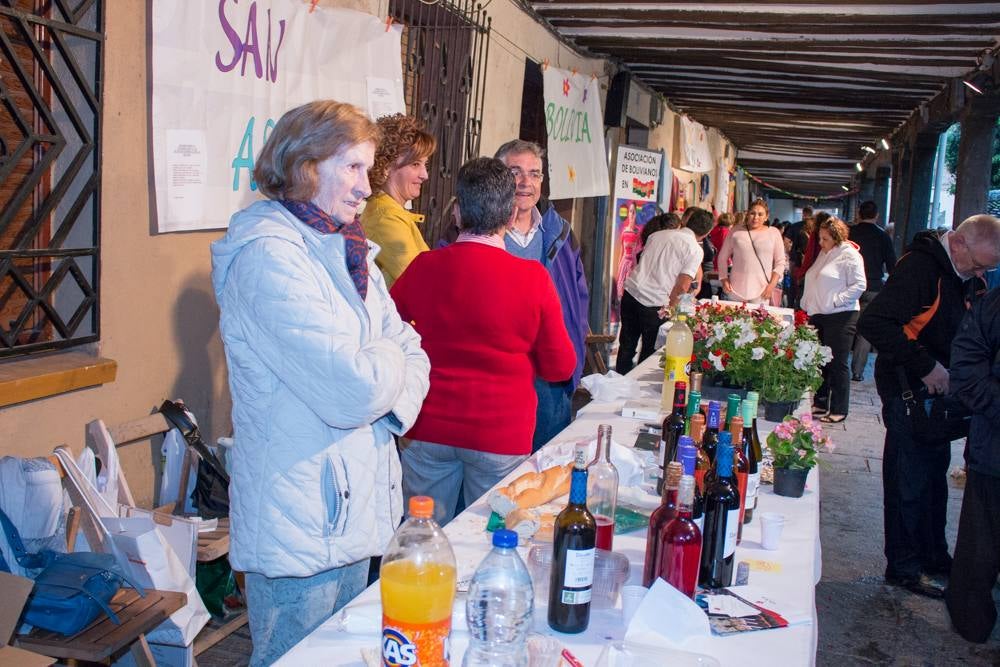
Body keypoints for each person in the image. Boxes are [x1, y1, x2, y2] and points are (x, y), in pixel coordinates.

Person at [211, 100, 431, 665]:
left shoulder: (345, 247)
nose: (367, 186)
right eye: (354, 168)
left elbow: (414, 349)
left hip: (354, 510)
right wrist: (388, 358)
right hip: (301, 522)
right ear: (306, 165)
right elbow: (352, 390)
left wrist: (384, 361)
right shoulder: (267, 256)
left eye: (369, 168)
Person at [390, 157, 576, 525]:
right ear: (510, 215)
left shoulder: (424, 267)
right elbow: (561, 366)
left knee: (423, 535)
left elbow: (385, 332)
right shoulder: (532, 278)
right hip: (501, 433)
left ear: (457, 213)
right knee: (489, 540)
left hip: (427, 426)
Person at [858, 214, 1000, 599]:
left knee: (932, 482)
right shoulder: (922, 268)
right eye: (977, 264)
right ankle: (904, 568)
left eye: (986, 268)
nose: (979, 273)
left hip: (937, 402)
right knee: (908, 482)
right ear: (958, 244)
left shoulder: (960, 271)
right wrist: (927, 366)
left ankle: (934, 558)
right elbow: (875, 323)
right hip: (910, 395)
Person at [494, 139, 590, 451]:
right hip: (497, 375)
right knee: (497, 474)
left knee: (545, 465)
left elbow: (578, 299)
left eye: (535, 174)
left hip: (549, 376)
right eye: (515, 172)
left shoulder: (560, 232)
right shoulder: (474, 228)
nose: (525, 183)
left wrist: (573, 366)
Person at [946, 286, 1000, 642]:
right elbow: (965, 365)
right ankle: (972, 619)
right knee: (981, 542)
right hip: (994, 451)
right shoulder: (994, 304)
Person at [615, 208, 715, 374]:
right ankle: (634, 391)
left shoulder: (658, 235)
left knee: (626, 346)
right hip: (656, 303)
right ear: (706, 233)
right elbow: (683, 286)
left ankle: (616, 385)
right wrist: (672, 309)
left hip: (632, 294)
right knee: (648, 354)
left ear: (685, 221)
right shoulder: (695, 249)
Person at [800, 216, 866, 423]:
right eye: (820, 238)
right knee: (821, 362)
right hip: (820, 314)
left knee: (837, 363)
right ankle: (820, 402)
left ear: (836, 237)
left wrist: (837, 301)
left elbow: (859, 285)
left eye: (825, 239)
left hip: (842, 316)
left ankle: (839, 408)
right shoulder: (825, 253)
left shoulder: (850, 255)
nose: (821, 243)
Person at [360, 113, 436, 288]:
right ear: (386, 166)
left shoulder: (390, 212)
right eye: (415, 164)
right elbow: (424, 284)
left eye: (426, 164)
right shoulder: (386, 218)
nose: (425, 175)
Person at [849, 200, 896, 381]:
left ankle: (840, 367)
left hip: (850, 286)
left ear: (859, 214)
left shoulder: (850, 233)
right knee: (865, 331)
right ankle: (858, 371)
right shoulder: (883, 236)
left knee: (847, 327)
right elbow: (892, 265)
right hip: (874, 287)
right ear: (877, 215)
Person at [717, 198, 786, 304]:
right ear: (747, 214)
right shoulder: (736, 231)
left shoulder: (774, 233)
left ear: (766, 216)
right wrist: (724, 279)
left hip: (762, 292)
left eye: (760, 214)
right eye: (752, 213)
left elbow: (780, 263)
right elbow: (722, 257)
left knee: (760, 320)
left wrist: (771, 286)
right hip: (735, 290)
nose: (756, 217)